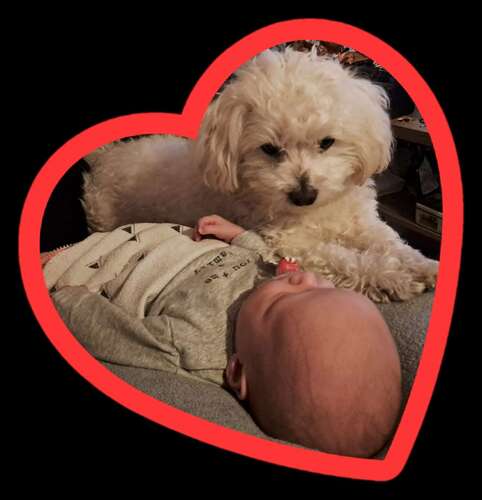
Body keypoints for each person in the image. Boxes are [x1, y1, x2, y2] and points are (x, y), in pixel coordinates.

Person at [43, 214, 402, 458]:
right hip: (175, 236)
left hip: (107, 258)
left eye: (284, 300)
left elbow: (112, 333)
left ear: (237, 371)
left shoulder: (193, 347)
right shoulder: (271, 312)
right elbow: (262, 260)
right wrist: (239, 236)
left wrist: (66, 297)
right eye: (325, 287)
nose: (304, 278)